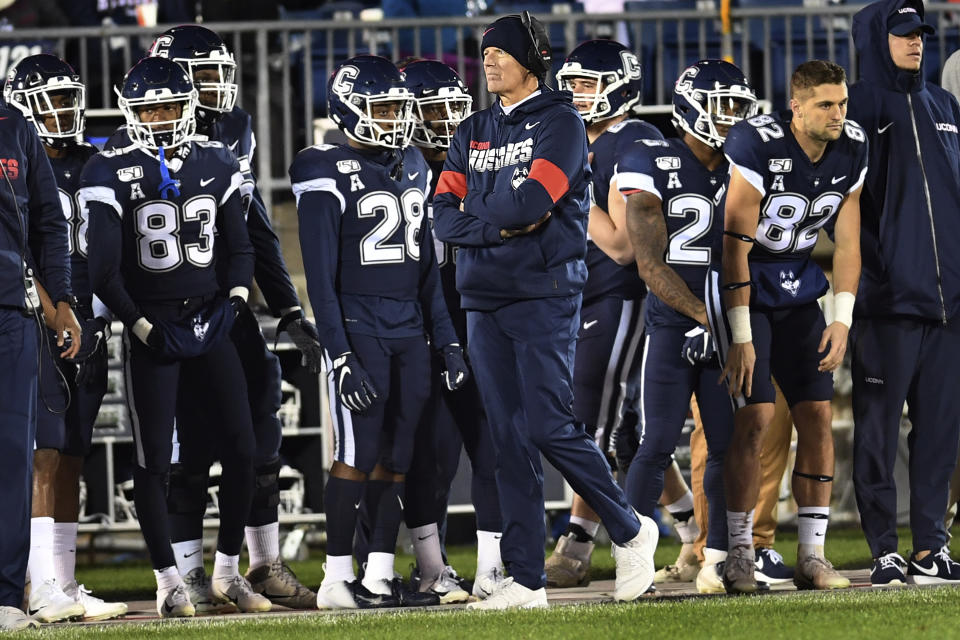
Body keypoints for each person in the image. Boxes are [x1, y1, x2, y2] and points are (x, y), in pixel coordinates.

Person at [432, 12, 658, 610]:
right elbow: (444, 216)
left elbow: (531, 201)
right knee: (508, 439)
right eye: (485, 54)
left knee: (549, 426)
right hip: (482, 297)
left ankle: (632, 530)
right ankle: (527, 580)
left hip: (543, 293)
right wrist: (498, 222)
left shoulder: (561, 122)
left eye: (501, 52)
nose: (489, 62)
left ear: (532, 61)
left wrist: (484, 214)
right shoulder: (472, 128)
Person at [140, 24, 321, 611]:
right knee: (189, 449)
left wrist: (287, 305)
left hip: (231, 304)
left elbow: (255, 228)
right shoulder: (136, 148)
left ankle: (263, 563)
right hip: (173, 310)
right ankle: (190, 576)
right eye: (203, 74)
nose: (218, 86)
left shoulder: (229, 134)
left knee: (261, 431)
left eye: (221, 72)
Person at [83, 56, 266, 617]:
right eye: (149, 107)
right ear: (131, 111)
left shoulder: (217, 157)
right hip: (152, 320)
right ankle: (167, 580)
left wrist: (233, 305)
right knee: (156, 458)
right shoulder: (107, 166)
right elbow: (103, 273)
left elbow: (240, 248)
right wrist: (139, 325)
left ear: (189, 106)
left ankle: (228, 571)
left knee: (243, 449)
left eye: (169, 105)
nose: (160, 117)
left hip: (211, 317)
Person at [291, 54, 467, 610]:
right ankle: (336, 578)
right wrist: (338, 354)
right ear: (347, 109)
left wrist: (449, 341)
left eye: (398, 107)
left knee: (398, 454)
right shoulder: (320, 165)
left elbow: (425, 273)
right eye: (382, 107)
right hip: (360, 326)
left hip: (410, 329)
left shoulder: (412, 161)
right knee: (357, 450)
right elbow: (320, 277)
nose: (393, 118)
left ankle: (377, 576)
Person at [713, 59, 865, 594]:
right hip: (748, 290)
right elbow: (734, 245)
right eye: (826, 104)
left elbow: (848, 242)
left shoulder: (852, 146)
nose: (838, 114)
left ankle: (812, 555)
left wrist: (842, 319)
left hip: (801, 291)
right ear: (795, 105)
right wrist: (742, 334)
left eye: (842, 103)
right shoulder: (758, 141)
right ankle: (738, 551)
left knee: (818, 416)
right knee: (754, 419)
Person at [618, 58, 757, 594]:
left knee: (726, 442)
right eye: (721, 105)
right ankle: (632, 558)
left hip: (729, 325)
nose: (730, 119)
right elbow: (651, 266)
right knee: (656, 444)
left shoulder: (749, 165)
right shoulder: (650, 158)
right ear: (690, 107)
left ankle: (717, 559)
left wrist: (732, 322)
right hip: (675, 325)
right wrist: (709, 316)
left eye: (738, 108)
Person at [4, 52, 127, 623]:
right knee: (33, 451)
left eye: (65, 98)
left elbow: (53, 229)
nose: (60, 111)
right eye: (48, 99)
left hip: (50, 313)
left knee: (53, 448)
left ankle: (45, 584)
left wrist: (70, 307)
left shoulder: (80, 155)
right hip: (35, 307)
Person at [847, 0, 960, 586]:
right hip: (887, 302)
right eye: (902, 34)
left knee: (940, 433)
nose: (916, 44)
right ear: (875, 38)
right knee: (877, 432)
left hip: (949, 306)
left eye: (920, 34)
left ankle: (931, 548)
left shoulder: (945, 105)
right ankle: (884, 549)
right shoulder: (858, 106)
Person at [543, 38, 660, 589]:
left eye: (586, 84)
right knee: (620, 429)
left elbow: (620, 246)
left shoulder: (632, 140)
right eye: (570, 84)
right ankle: (686, 529)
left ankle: (578, 541)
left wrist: (561, 189)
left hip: (619, 293)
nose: (575, 95)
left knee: (594, 424)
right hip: (577, 293)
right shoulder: (572, 135)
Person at [393, 57, 502, 602]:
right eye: (434, 109)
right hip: (422, 322)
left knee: (490, 441)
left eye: (454, 108)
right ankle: (430, 567)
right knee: (430, 453)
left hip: (476, 313)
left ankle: (491, 568)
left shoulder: (479, 163)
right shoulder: (398, 171)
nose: (448, 119)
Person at [0, 62, 74, 635]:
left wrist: (64, 301)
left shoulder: (15, 126)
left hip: (10, 312)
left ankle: (5, 595)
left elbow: (50, 221)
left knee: (10, 460)